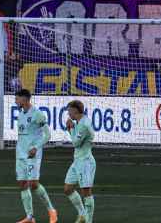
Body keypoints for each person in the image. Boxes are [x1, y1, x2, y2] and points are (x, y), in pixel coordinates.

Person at [14, 89, 58, 223]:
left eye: (17, 98)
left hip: (33, 154)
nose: (15, 101)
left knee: (33, 184)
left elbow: (47, 135)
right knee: (22, 184)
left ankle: (52, 211)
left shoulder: (37, 114)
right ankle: (29, 217)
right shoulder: (20, 114)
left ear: (24, 99)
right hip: (20, 153)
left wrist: (36, 147)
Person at [64, 99, 97, 223]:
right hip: (77, 161)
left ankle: (88, 220)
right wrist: (72, 127)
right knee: (68, 189)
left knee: (86, 192)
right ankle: (82, 214)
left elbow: (76, 143)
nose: (68, 114)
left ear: (74, 111)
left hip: (85, 162)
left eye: (69, 112)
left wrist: (70, 128)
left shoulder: (83, 125)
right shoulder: (79, 122)